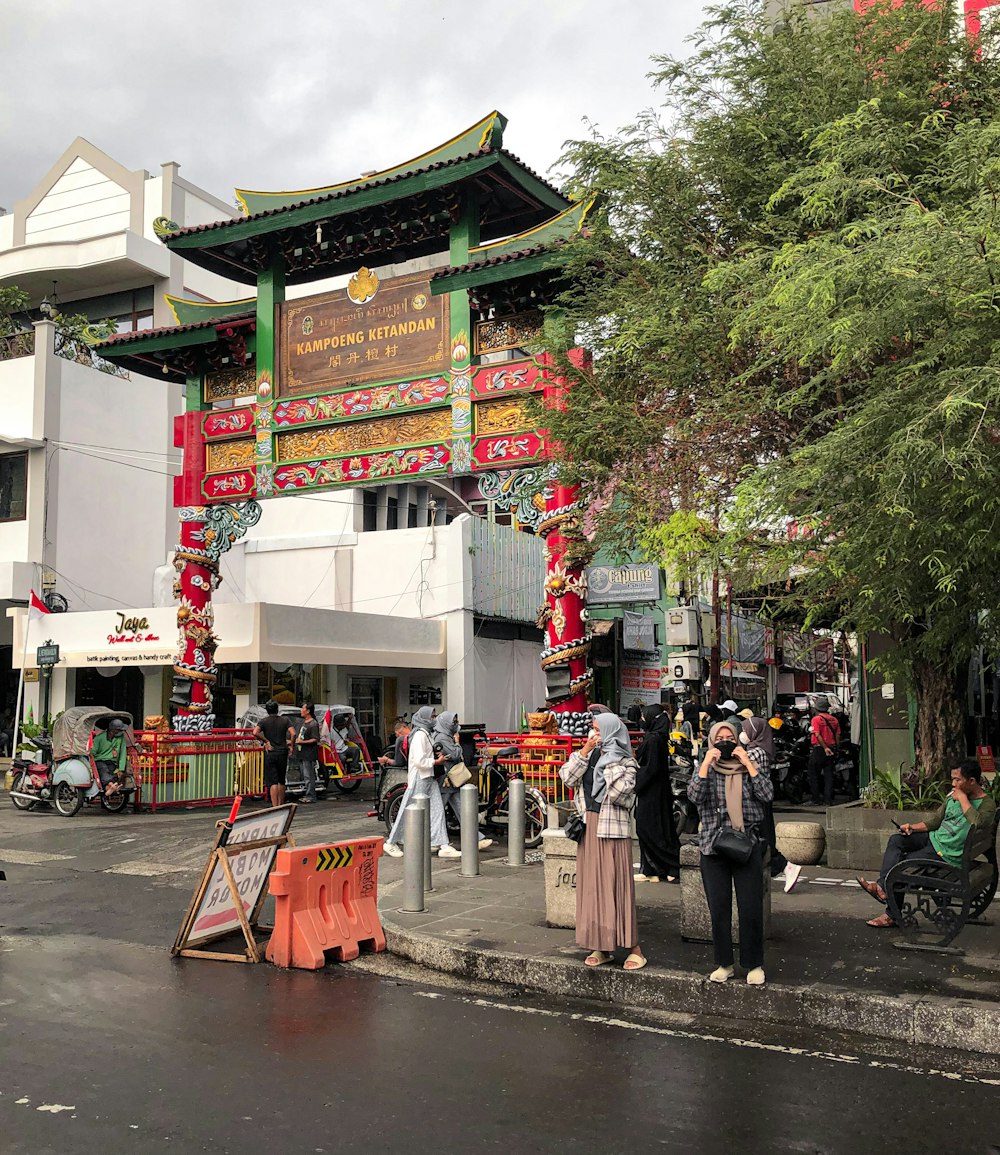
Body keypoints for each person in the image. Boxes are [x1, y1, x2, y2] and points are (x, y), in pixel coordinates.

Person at [859, 759, 997, 927]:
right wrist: (912, 827)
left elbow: (977, 822)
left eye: (957, 780)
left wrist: (962, 799)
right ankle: (882, 886)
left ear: (972, 781)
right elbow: (936, 821)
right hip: (933, 839)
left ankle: (891, 915)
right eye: (952, 779)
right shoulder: (952, 796)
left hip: (947, 852)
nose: (953, 784)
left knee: (902, 865)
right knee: (897, 840)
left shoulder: (986, 804)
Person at [688, 721, 774, 985]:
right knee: (719, 908)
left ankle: (753, 964)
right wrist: (704, 765)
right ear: (712, 741)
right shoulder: (706, 769)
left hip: (746, 844)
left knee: (750, 908)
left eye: (730, 737)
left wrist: (748, 763)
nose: (725, 741)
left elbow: (767, 795)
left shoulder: (749, 766)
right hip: (713, 847)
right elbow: (695, 797)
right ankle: (724, 963)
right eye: (720, 737)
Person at [559, 712, 645, 971]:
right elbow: (567, 777)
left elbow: (622, 794)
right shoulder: (588, 754)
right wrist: (585, 751)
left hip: (613, 830)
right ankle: (601, 944)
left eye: (597, 730)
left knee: (617, 885)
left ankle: (634, 947)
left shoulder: (626, 761)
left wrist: (608, 761)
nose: (593, 734)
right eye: (591, 729)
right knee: (593, 887)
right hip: (589, 826)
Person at [383, 706, 461, 859]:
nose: (433, 719)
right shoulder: (420, 735)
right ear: (424, 719)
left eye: (434, 716)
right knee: (407, 809)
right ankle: (391, 842)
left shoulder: (425, 733)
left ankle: (443, 844)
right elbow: (419, 761)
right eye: (431, 717)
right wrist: (436, 761)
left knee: (437, 809)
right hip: (420, 776)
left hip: (427, 776)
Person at [741, 716, 801, 893]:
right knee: (761, 837)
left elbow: (739, 765)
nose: (742, 734)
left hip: (758, 800)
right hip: (758, 799)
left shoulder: (757, 752)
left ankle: (784, 866)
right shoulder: (759, 748)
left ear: (755, 732)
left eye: (745, 730)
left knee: (761, 837)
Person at [633, 704, 680, 884]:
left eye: (645, 717)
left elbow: (650, 769)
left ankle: (671, 866)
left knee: (651, 829)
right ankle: (651, 869)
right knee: (650, 828)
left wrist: (635, 783)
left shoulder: (653, 740)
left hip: (652, 791)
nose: (643, 720)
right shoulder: (657, 737)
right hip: (655, 790)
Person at [434, 710, 493, 850]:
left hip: (452, 780)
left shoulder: (445, 735)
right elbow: (454, 754)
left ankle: (475, 839)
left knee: (462, 810)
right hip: (446, 779)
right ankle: (434, 840)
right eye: (453, 721)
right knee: (438, 811)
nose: (455, 724)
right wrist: (457, 743)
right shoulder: (442, 738)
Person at [254, 700, 294, 808]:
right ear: (277, 709)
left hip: (271, 752)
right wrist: (291, 746)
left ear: (267, 710)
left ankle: (274, 806)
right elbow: (293, 733)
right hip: (282, 752)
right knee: (281, 780)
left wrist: (266, 741)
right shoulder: (285, 720)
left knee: (272, 781)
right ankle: (281, 805)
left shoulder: (263, 721)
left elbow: (255, 732)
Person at [807, 694, 840, 807]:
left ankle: (816, 798)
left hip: (820, 749)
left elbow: (817, 734)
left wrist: (825, 747)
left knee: (813, 774)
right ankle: (828, 799)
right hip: (831, 748)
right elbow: (837, 735)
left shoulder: (816, 719)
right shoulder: (834, 720)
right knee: (829, 775)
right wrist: (835, 747)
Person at [92, 718, 129, 794]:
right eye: (119, 730)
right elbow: (93, 752)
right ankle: (111, 785)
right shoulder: (99, 738)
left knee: (112, 771)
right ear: (112, 731)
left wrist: (121, 769)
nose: (121, 732)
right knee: (103, 769)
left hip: (112, 762)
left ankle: (109, 787)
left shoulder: (121, 738)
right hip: (99, 761)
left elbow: (123, 753)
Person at [295, 702, 321, 804]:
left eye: (303, 708)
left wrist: (302, 742)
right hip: (302, 752)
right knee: (304, 775)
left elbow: (315, 739)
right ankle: (308, 793)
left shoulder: (313, 724)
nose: (301, 710)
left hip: (309, 753)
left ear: (308, 711)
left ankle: (311, 795)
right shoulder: (304, 722)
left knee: (308, 775)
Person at [330, 712, 362, 777]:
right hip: (337, 751)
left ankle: (354, 768)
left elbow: (347, 726)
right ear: (338, 725)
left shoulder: (343, 729)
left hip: (344, 748)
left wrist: (349, 719)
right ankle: (340, 771)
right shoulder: (331, 731)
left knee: (356, 749)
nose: (343, 727)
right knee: (343, 758)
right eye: (342, 725)